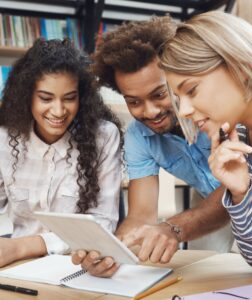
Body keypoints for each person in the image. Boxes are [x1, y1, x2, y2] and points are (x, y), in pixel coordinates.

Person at [72, 16, 232, 277]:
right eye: (134, 102)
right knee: (207, 274)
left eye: (159, 94)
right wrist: (111, 251)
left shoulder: (216, 109)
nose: (150, 112)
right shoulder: (138, 137)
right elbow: (141, 217)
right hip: (206, 198)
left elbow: (236, 188)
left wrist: (172, 227)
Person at [160, 11, 252, 278]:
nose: (183, 111)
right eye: (178, 97)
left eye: (191, 90)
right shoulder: (242, 142)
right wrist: (241, 193)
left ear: (241, 66)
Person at [0, 38, 122, 267]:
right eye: (45, 98)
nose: (58, 111)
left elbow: (103, 225)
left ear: (82, 97)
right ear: (27, 96)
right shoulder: (5, 139)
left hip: (79, 266)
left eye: (69, 98)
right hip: (17, 266)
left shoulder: (103, 137)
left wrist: (21, 246)